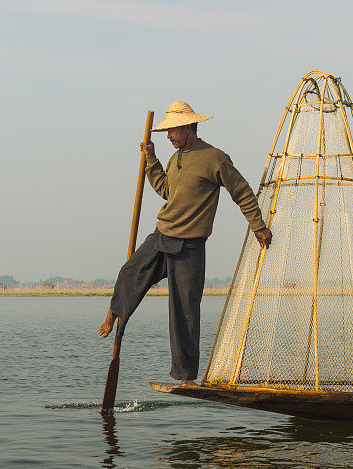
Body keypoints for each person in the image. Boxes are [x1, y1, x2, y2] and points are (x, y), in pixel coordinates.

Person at [98, 101, 272, 386]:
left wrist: (258, 225)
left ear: (190, 127)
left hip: (190, 247)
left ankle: (186, 377)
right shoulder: (175, 158)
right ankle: (114, 313)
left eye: (173, 131)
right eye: (166, 132)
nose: (168, 136)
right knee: (129, 273)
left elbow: (241, 191)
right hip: (162, 236)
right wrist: (151, 160)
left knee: (184, 314)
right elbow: (167, 190)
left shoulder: (215, 158)